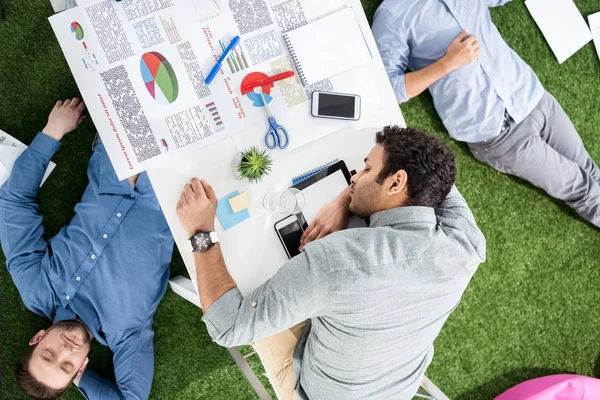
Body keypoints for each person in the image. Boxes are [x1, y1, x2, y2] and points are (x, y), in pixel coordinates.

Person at [176, 126, 486, 399]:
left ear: (395, 183)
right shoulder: (465, 244)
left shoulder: (337, 261)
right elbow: (437, 175)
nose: (354, 176)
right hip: (391, 385)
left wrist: (201, 230)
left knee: (251, 277)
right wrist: (347, 199)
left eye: (365, 170)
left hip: (317, 390)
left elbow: (230, 326)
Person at [0, 98, 174, 399]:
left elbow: (13, 203)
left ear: (37, 339)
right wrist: (83, 380)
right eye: (68, 365)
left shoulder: (36, 287)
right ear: (80, 367)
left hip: (120, 148)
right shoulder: (126, 334)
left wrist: (52, 131)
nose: (65, 350)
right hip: (179, 181)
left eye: (49, 354)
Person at [372, 0, 600, 228]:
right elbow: (389, 88)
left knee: (591, 171)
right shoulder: (393, 14)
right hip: (500, 135)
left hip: (532, 97)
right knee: (583, 189)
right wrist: (447, 63)